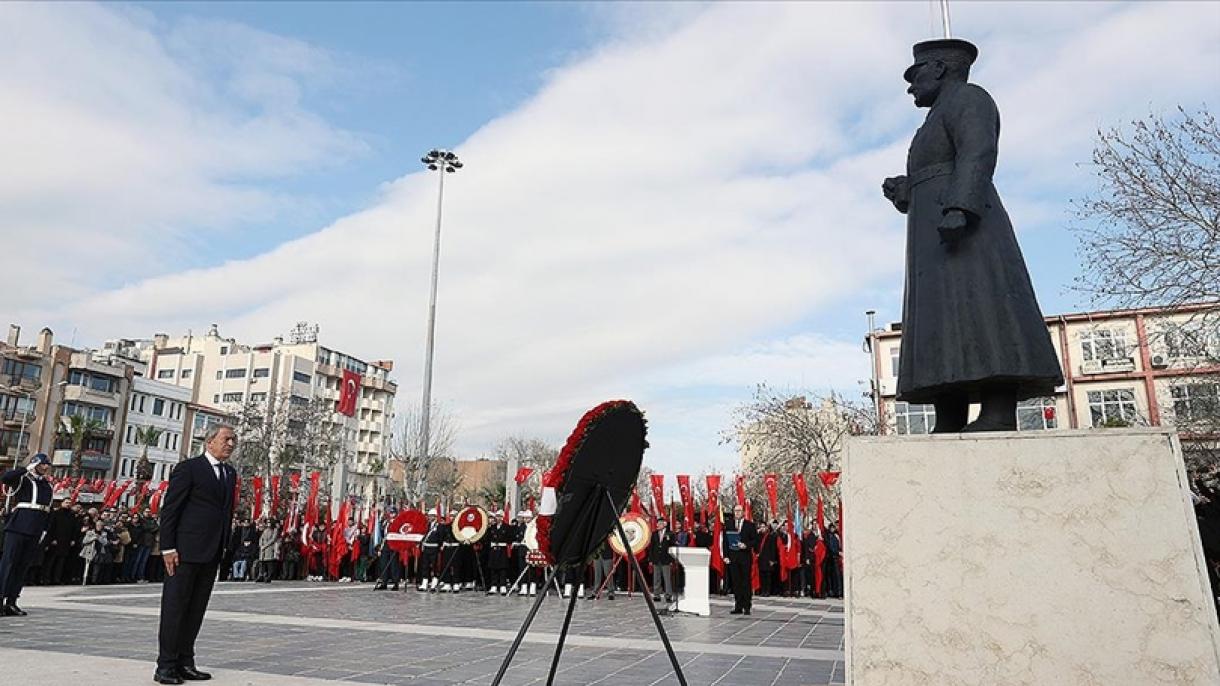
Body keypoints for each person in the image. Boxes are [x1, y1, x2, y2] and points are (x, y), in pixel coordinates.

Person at [881, 38, 1062, 432]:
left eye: (916, 74)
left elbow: (978, 153)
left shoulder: (970, 98)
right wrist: (908, 190)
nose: (910, 85)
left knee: (983, 307)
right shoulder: (933, 119)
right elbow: (938, 170)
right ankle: (948, 414)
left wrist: (961, 207)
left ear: (940, 69)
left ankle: (998, 411)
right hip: (931, 236)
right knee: (941, 318)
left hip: (967, 229)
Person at [155, 423, 238, 685]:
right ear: (209, 441)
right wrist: (168, 547)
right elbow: (170, 510)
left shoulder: (229, 473)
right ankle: (165, 665)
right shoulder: (189, 468)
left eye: (233, 440)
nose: (231, 444)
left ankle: (185, 661)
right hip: (184, 552)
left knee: (196, 610)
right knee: (175, 608)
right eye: (226, 439)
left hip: (212, 552)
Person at [0, 453, 54, 616]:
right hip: (19, 525)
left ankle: (11, 601)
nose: (46, 467)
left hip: (36, 528)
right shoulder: (24, 479)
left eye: (47, 465)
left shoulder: (47, 485)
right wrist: (26, 469)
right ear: (35, 464)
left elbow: (48, 510)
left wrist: (45, 529)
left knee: (22, 566)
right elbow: (6, 478)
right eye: (43, 464)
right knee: (8, 564)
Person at [724, 504, 758, 616]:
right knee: (736, 582)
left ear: (743, 512)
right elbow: (725, 541)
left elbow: (755, 540)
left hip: (745, 557)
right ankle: (738, 605)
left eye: (739, 511)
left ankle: (747, 606)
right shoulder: (729, 524)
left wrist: (746, 545)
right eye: (735, 511)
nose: (737, 513)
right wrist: (725, 556)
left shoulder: (750, 525)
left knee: (745, 582)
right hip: (733, 557)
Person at [43, 498, 80, 585]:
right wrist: (52, 539)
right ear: (62, 503)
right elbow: (51, 527)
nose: (68, 504)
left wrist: (73, 539)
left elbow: (74, 529)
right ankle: (46, 578)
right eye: (66, 502)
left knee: (61, 562)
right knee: (50, 561)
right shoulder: (56, 514)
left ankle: (57, 579)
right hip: (55, 541)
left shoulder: (72, 515)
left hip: (66, 542)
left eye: (69, 503)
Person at [649, 518, 676, 603]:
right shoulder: (654, 534)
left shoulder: (670, 534)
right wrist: (651, 559)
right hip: (656, 558)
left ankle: (668, 595)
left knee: (667, 578)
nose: (658, 525)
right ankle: (656, 594)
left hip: (666, 559)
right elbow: (651, 547)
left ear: (664, 524)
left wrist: (672, 559)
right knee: (656, 577)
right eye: (657, 523)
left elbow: (673, 546)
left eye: (660, 523)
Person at [485, 513, 510, 596]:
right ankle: (494, 585)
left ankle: (503, 585)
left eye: (500, 516)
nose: (498, 518)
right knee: (493, 568)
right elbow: (488, 538)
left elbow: (509, 539)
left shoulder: (507, 527)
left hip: (502, 550)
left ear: (502, 517)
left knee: (503, 568)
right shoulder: (492, 527)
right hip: (493, 550)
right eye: (497, 517)